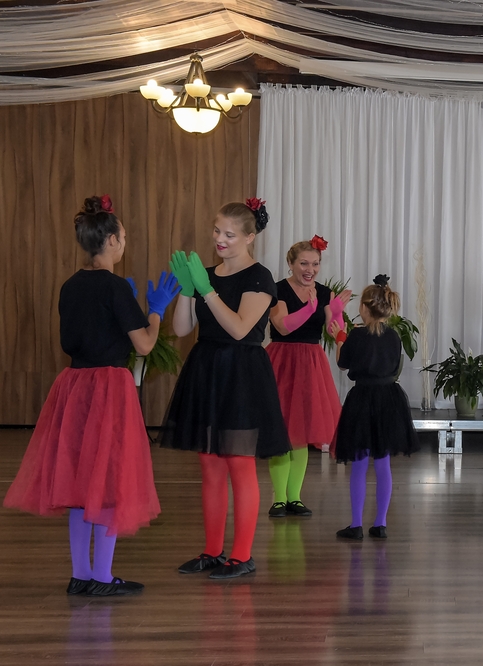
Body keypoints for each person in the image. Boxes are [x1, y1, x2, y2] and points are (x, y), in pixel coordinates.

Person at [4, 195, 178, 596]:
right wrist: (155, 310)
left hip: (74, 386)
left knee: (81, 485)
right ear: (112, 240)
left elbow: (76, 337)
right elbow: (145, 345)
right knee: (109, 480)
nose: (124, 242)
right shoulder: (115, 287)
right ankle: (102, 578)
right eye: (124, 237)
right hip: (109, 389)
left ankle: (80, 574)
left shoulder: (69, 286)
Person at [161, 197, 291, 579]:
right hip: (207, 369)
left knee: (239, 464)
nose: (220, 239)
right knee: (210, 464)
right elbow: (182, 329)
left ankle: (242, 555)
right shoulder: (206, 274)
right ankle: (212, 551)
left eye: (230, 235)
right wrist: (188, 290)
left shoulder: (259, 277)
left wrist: (207, 291)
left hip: (242, 373)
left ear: (250, 237)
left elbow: (239, 329)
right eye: (217, 231)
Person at [265, 235, 351, 518]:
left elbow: (334, 330)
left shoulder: (324, 293)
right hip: (281, 360)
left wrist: (337, 317)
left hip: (311, 364)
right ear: (290, 264)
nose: (310, 269)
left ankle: (294, 498)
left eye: (315, 264)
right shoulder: (277, 289)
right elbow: (282, 326)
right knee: (282, 431)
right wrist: (309, 309)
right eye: (304, 263)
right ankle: (279, 499)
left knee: (300, 434)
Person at [330, 275, 418, 540]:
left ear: (364, 308)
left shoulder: (357, 336)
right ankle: (380, 523)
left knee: (359, 463)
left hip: (362, 399)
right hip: (389, 399)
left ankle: (356, 524)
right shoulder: (394, 336)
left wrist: (339, 338)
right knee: (382, 462)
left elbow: (343, 364)